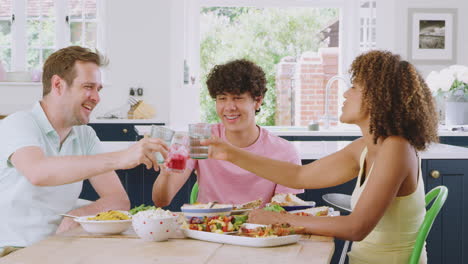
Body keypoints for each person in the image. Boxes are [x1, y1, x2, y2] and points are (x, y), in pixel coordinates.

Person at [203, 50, 438, 264]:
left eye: (354, 87)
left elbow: (356, 227)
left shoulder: (396, 149)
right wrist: (231, 154)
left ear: (379, 96)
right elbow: (299, 175)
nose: (346, 93)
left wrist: (278, 220)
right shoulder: (365, 148)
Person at [0, 46, 167, 253]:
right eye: (89, 87)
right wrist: (121, 158)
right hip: (15, 250)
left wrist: (79, 215)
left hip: (62, 248)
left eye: (99, 89)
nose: (96, 97)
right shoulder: (18, 123)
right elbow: (37, 172)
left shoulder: (84, 136)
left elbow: (118, 200)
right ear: (58, 85)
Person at [152, 59, 303, 207]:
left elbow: (281, 212)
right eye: (222, 98)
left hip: (259, 229)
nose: (229, 107)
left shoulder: (285, 152)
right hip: (207, 227)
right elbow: (161, 201)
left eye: (238, 98)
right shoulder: (201, 140)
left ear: (257, 101)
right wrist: (165, 173)